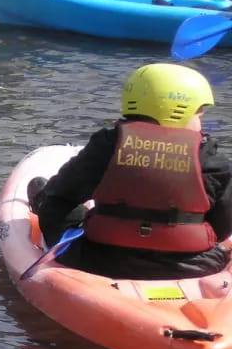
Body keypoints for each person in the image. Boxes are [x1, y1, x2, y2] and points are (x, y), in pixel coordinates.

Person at [29, 62, 232, 280]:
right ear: (179, 112)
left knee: (53, 201)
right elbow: (224, 225)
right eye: (199, 116)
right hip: (194, 266)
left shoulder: (107, 145)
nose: (200, 125)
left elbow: (61, 191)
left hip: (97, 260)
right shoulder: (212, 161)